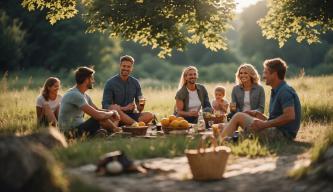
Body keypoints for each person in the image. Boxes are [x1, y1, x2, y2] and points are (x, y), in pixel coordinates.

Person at [220, 58, 301, 140]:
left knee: (238, 116)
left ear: (274, 74)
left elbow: (289, 116)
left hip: (282, 134)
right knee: (224, 127)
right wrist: (257, 115)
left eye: (266, 73)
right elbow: (274, 119)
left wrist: (264, 124)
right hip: (276, 129)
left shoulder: (284, 91)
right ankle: (226, 139)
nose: (264, 76)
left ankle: (219, 142)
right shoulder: (277, 90)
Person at [58, 67, 121, 137]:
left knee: (104, 115)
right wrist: (112, 113)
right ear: (86, 80)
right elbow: (98, 115)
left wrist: (112, 111)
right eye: (92, 78)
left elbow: (97, 110)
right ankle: (117, 132)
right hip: (70, 133)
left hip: (79, 128)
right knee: (99, 118)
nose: (93, 81)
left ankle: (108, 132)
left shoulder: (84, 95)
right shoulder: (75, 95)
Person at [102, 55, 154, 126]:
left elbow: (140, 107)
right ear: (120, 66)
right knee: (115, 110)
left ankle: (128, 124)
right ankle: (135, 125)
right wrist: (124, 108)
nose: (126, 68)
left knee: (150, 115)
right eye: (124, 66)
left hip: (131, 115)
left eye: (128, 67)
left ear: (132, 68)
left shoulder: (135, 82)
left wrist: (141, 104)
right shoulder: (110, 83)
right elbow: (105, 105)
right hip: (116, 116)